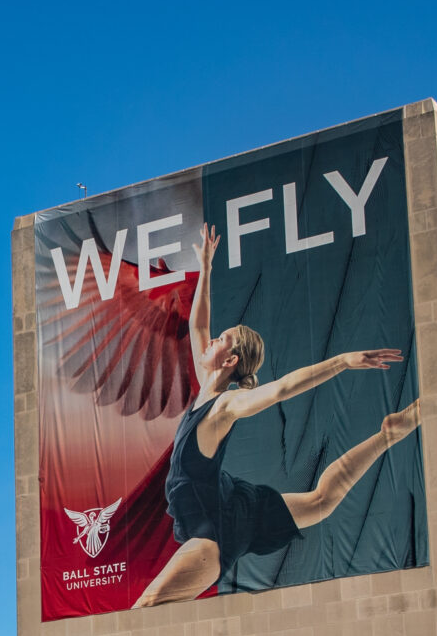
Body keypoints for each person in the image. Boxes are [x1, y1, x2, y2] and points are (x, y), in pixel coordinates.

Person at [134, 223, 420, 607]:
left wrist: (341, 361)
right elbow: (197, 323)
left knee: (146, 608)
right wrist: (206, 267)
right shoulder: (206, 386)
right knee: (320, 501)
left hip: (213, 530)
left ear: (231, 360)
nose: (213, 338)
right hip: (232, 504)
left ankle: (388, 434)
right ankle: (387, 434)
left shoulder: (224, 405)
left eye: (223, 339)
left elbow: (284, 387)